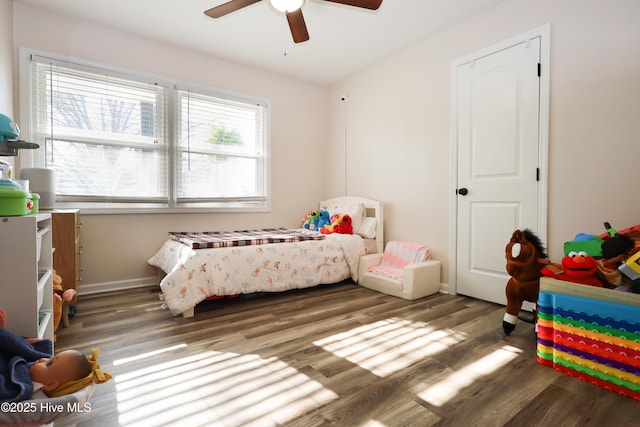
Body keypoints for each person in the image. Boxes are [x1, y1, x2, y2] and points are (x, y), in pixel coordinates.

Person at [0, 308, 110, 402]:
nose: (43, 359)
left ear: (49, 384)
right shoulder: (33, 370)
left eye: (49, 364)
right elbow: (19, 348)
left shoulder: (20, 387)